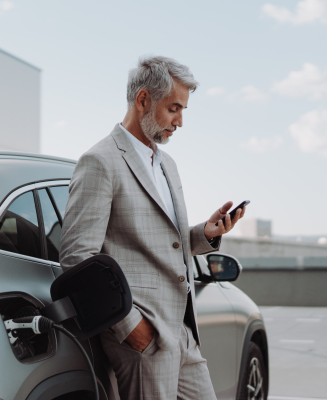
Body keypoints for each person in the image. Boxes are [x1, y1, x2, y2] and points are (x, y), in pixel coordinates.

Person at [59, 56, 246, 400]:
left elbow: (162, 242)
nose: (180, 121)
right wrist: (131, 329)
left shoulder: (167, 164)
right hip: (143, 335)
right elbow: (77, 257)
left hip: (181, 327)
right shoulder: (100, 161)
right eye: (174, 108)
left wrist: (205, 233)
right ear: (143, 99)